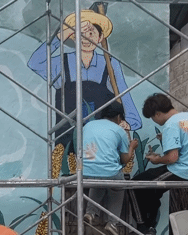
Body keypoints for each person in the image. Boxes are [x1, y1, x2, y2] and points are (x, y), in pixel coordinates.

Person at [27, 10, 141, 173]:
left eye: (91, 33)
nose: (86, 39)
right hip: (68, 137)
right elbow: (35, 63)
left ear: (100, 37)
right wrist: (61, 35)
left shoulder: (109, 63)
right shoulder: (62, 62)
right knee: (70, 176)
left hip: (101, 139)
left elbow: (123, 93)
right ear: (73, 37)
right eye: (80, 34)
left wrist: (129, 121)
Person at [127, 93, 188, 235]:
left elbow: (172, 158)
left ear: (157, 114)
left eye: (152, 118)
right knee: (153, 189)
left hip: (186, 170)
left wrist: (157, 159)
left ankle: (142, 228)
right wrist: (165, 140)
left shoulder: (171, 124)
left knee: (134, 185)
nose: (154, 121)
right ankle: (149, 227)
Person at [82, 102, 138, 235]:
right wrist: (132, 147)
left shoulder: (88, 126)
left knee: (99, 181)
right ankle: (112, 223)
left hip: (85, 173)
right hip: (109, 174)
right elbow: (125, 160)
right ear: (119, 117)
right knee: (118, 187)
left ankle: (90, 213)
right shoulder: (119, 130)